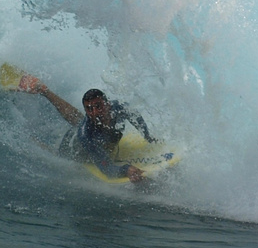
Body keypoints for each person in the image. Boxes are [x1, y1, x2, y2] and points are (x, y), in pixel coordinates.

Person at [14, 74, 155, 183]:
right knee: (58, 153)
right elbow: (107, 169)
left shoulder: (120, 108)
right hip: (72, 146)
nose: (94, 112)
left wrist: (147, 137)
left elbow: (135, 117)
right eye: (89, 109)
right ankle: (34, 140)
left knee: (81, 120)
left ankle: (44, 90)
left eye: (98, 106)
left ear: (107, 104)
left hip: (85, 128)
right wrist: (126, 170)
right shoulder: (87, 137)